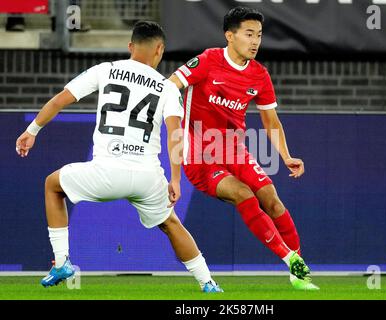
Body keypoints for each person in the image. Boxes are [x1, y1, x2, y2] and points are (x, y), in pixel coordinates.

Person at [15, 21, 222, 293]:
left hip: (106, 172)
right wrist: (175, 179)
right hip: (147, 176)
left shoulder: (107, 70)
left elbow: (60, 100)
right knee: (171, 223)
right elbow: (175, 135)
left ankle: (62, 262)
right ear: (159, 50)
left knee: (52, 185)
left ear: (130, 47)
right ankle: (207, 283)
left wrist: (32, 130)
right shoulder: (167, 87)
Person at [169, 7, 319, 290]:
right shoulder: (207, 61)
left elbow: (270, 120)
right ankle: (289, 259)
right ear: (230, 35)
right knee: (243, 194)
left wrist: (285, 156)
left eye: (259, 35)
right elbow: (170, 87)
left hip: (235, 152)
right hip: (200, 157)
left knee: (271, 199)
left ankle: (299, 274)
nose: (255, 41)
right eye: (249, 34)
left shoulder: (259, 75)